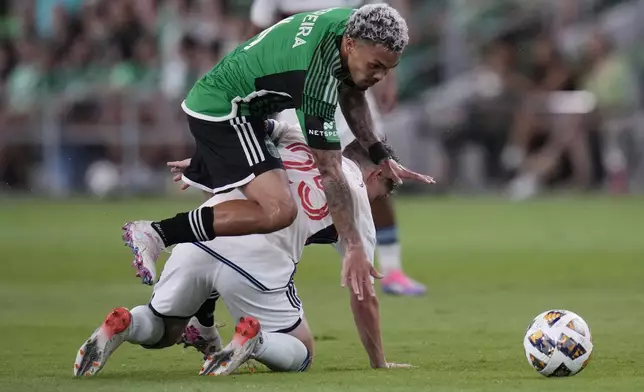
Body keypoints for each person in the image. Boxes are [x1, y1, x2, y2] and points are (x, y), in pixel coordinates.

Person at [121, 5, 433, 304]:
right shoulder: (315, 78)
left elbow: (352, 92)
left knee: (253, 210)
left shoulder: (351, 25)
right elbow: (330, 171)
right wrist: (353, 246)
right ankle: (155, 233)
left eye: (388, 69)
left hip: (245, 112)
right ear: (350, 45)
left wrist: (378, 152)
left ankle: (199, 315)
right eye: (376, 66)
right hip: (225, 112)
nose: (380, 76)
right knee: (279, 211)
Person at [74, 121, 412, 377]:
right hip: (257, 261)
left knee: (164, 330)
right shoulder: (359, 209)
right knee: (303, 351)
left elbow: (246, 131)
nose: (382, 198)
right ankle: (255, 341)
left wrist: (200, 164)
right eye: (386, 189)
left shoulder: (300, 134)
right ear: (377, 171)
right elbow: (363, 296)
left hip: (206, 229)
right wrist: (378, 362)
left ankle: (125, 324)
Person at [247, 0, 425, 296]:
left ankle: (393, 271)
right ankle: (260, 267)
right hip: (302, 89)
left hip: (350, 84)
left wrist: (386, 78)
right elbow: (258, 34)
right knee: (291, 180)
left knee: (377, 173)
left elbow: (380, 29)